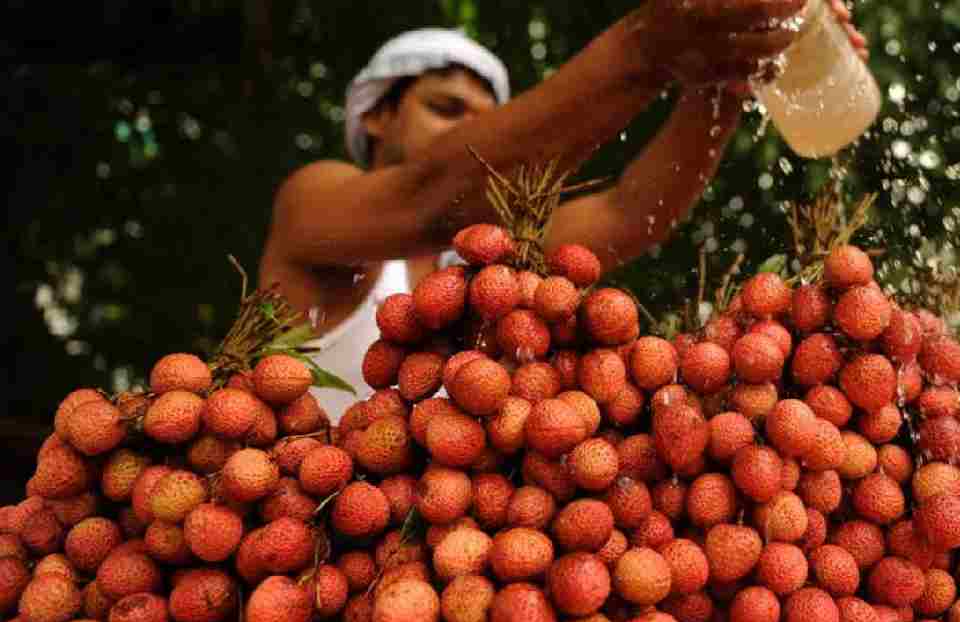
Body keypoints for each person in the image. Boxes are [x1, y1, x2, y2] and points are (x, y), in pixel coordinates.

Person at [259, 1, 868, 421]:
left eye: (487, 122)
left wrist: (727, 72)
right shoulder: (314, 203)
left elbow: (633, 212)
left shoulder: (489, 260)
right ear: (375, 116)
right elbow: (431, 193)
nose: (470, 134)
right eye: (446, 110)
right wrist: (650, 47)